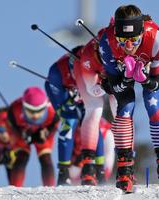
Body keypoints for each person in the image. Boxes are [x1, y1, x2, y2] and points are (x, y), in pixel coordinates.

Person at [97, 4, 159, 192]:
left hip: (150, 67)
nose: (129, 46)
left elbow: (157, 82)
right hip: (121, 70)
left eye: (134, 39)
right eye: (122, 40)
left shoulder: (157, 40)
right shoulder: (107, 41)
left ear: (142, 33)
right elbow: (113, 85)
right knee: (124, 106)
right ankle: (124, 168)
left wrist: (146, 79)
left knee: (152, 103)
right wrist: (124, 78)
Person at [44, 46, 108, 185]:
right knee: (68, 124)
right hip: (68, 100)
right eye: (75, 70)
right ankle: (63, 172)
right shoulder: (57, 71)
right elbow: (54, 92)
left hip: (86, 99)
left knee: (93, 125)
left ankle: (98, 169)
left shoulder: (94, 67)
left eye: (81, 70)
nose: (78, 73)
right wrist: (68, 101)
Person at [72, 23, 117, 186]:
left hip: (108, 79)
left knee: (121, 108)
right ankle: (88, 166)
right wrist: (106, 85)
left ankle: (127, 163)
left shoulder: (123, 49)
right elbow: (93, 91)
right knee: (95, 109)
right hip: (91, 79)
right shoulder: (89, 56)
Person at [2, 86, 60, 186]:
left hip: (42, 133)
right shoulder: (14, 109)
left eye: (40, 110)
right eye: (30, 110)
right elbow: (11, 126)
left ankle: (50, 189)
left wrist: (46, 133)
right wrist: (21, 134)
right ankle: (14, 188)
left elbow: (54, 125)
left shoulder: (52, 110)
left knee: (45, 158)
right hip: (22, 133)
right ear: (24, 106)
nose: (35, 115)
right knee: (21, 158)